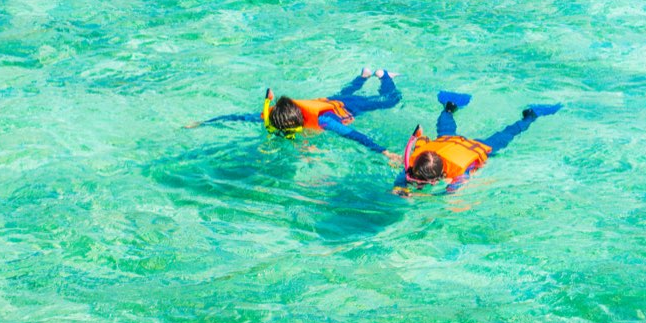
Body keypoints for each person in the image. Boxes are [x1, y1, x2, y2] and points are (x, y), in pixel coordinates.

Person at [190, 68, 403, 160]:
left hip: (347, 107)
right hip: (327, 100)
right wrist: (203, 123)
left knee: (390, 101)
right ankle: (363, 76)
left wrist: (384, 152)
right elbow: (237, 117)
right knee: (342, 93)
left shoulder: (325, 120)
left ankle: (383, 75)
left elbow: (354, 135)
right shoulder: (275, 115)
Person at [394, 90, 561, 194]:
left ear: (439, 177)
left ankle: (532, 114)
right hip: (448, 142)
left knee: (508, 134)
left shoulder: (459, 171)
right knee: (445, 128)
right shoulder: (417, 158)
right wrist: (400, 187)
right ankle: (450, 106)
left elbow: (455, 189)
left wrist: (443, 193)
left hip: (477, 148)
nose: (415, 181)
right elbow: (418, 148)